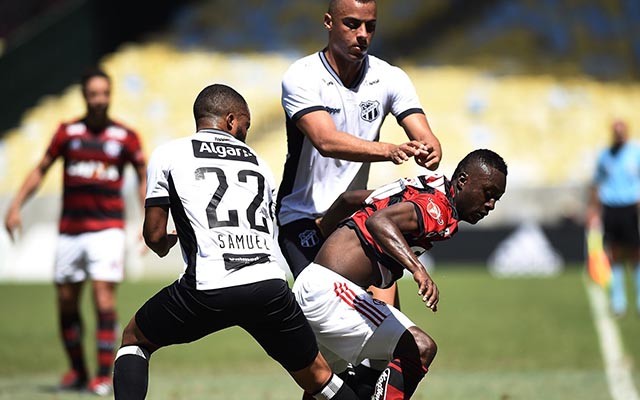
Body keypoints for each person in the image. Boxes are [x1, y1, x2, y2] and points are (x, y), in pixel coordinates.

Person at [112, 84, 359, 400]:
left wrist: (165, 245)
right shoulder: (259, 162)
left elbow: (154, 235)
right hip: (269, 285)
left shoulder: (170, 153)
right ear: (230, 120)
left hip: (209, 287)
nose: (245, 131)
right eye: (246, 125)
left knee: (135, 339)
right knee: (320, 377)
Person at [292, 149, 507, 399]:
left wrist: (323, 238)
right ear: (462, 181)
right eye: (488, 194)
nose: (490, 205)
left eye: (496, 199)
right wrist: (419, 271)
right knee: (421, 347)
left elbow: (349, 199)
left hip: (322, 287)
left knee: (339, 382)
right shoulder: (436, 206)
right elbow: (379, 222)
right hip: (331, 292)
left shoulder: (424, 188)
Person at [276, 0, 442, 304]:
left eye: (371, 26)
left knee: (388, 325)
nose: (363, 34)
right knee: (332, 316)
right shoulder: (302, 76)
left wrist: (429, 149)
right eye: (352, 24)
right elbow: (325, 141)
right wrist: (389, 150)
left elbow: (426, 137)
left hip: (355, 215)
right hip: (303, 217)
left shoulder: (390, 77)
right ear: (328, 23)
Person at [4, 68, 146, 395]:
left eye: (105, 94)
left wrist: (145, 217)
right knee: (66, 303)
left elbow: (142, 175)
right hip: (71, 231)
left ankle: (100, 374)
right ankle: (78, 370)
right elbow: (40, 169)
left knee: (103, 297)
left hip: (107, 230)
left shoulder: (125, 136)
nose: (100, 100)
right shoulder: (67, 133)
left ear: (110, 96)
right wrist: (15, 206)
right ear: (85, 96)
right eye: (94, 94)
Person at [588, 119, 640, 316]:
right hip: (611, 208)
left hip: (630, 208)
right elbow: (597, 182)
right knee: (615, 254)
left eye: (622, 131)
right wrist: (593, 209)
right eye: (615, 131)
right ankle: (619, 301)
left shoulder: (635, 153)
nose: (619, 134)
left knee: (636, 253)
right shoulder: (605, 156)